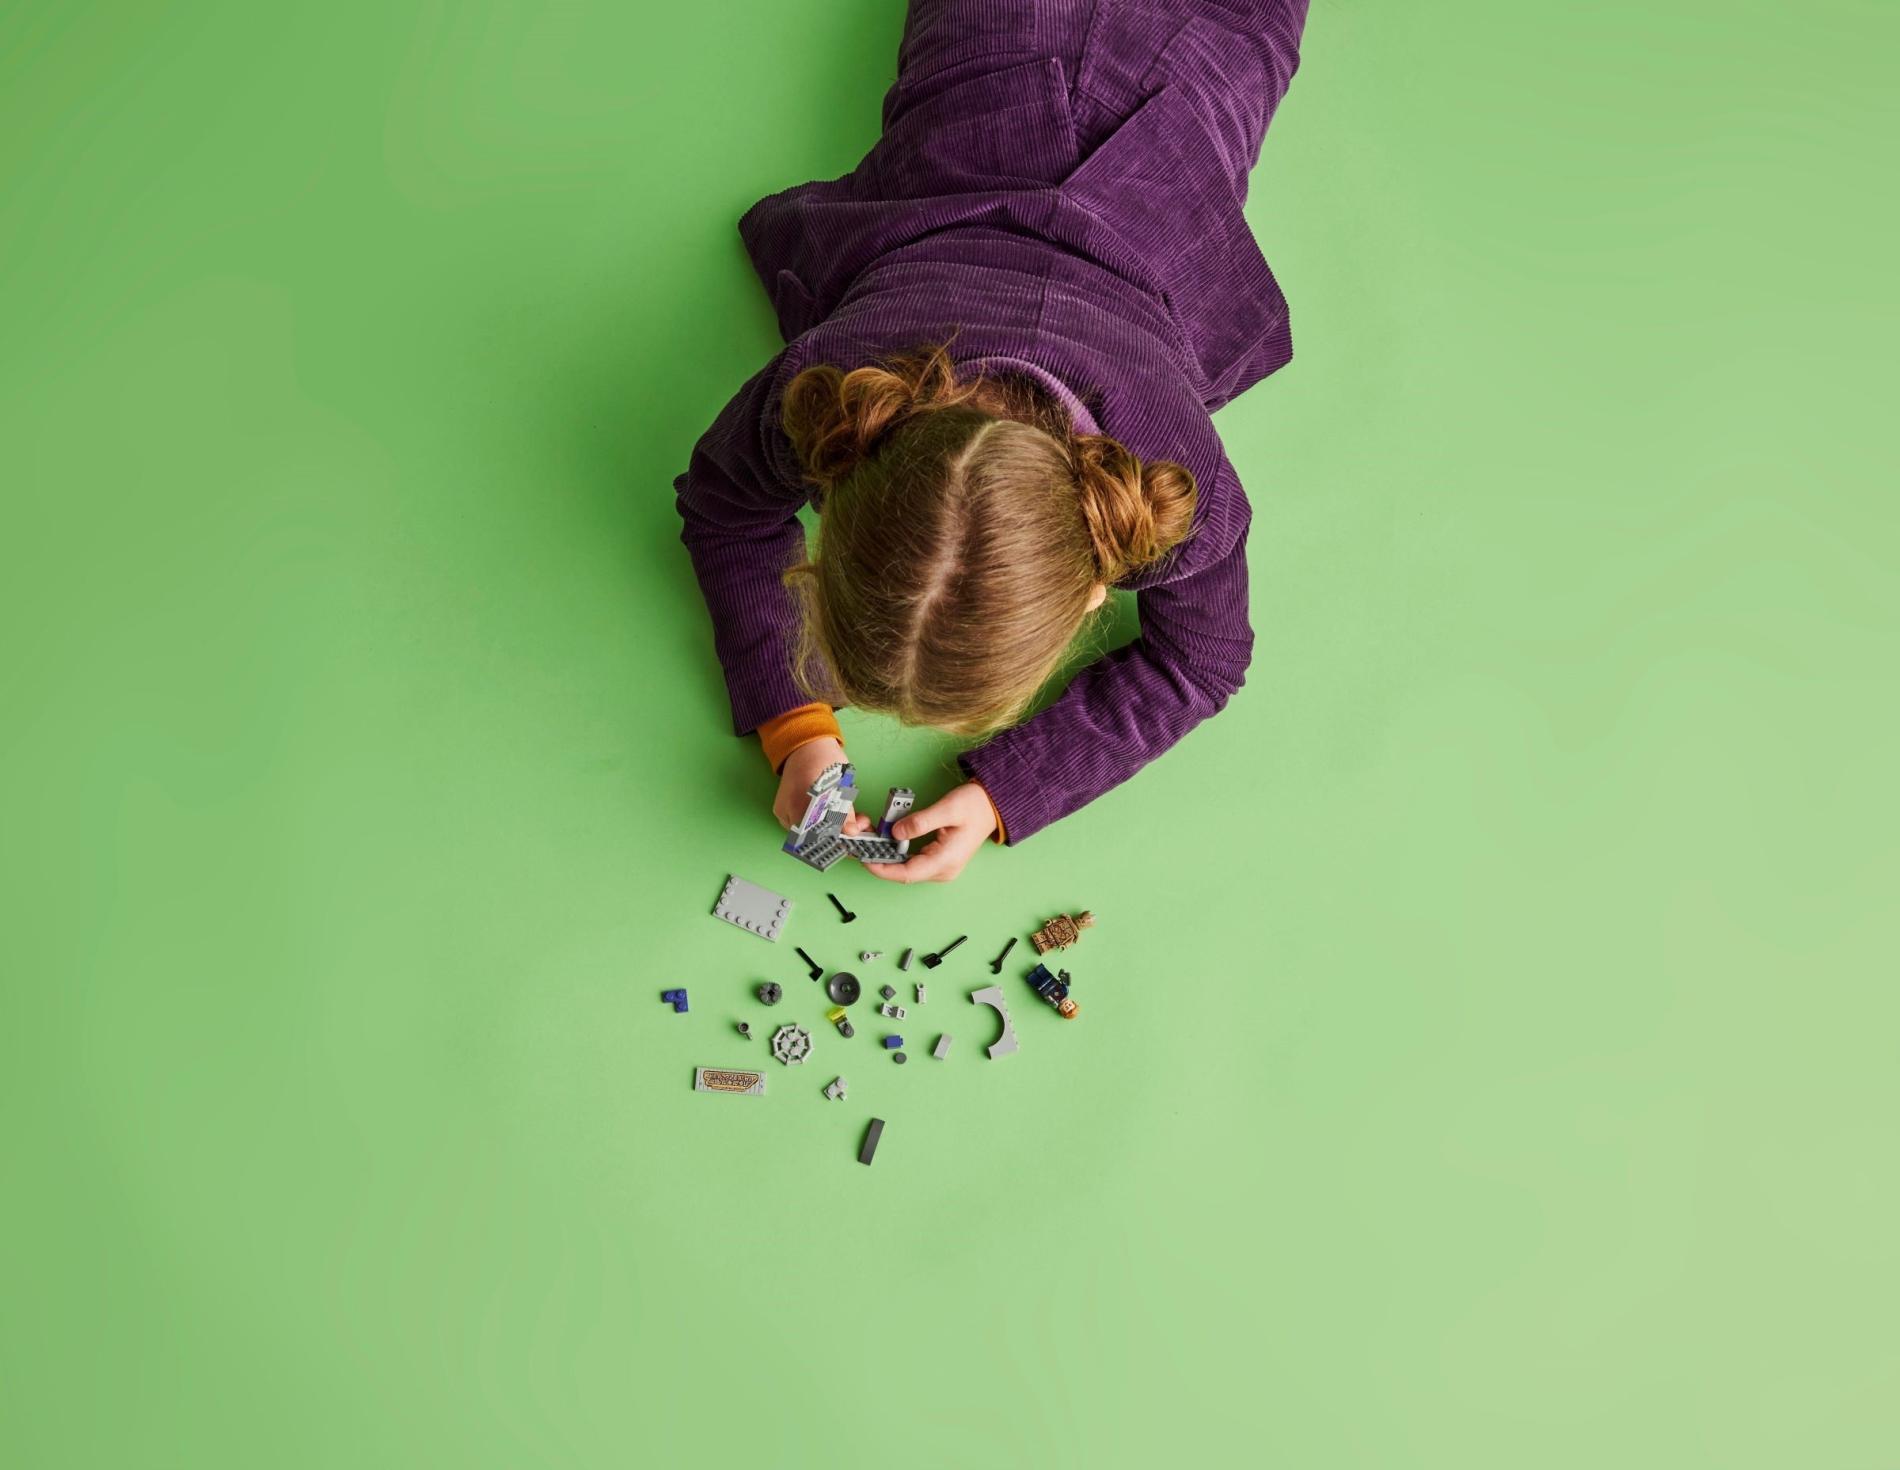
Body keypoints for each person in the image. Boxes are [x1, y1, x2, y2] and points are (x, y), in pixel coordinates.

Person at [676, 0, 1311, 882]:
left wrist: (1011, 789)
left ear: (1096, 596)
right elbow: (722, 511)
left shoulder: (1183, 483)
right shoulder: (833, 381)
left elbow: (1204, 661)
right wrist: (796, 725)